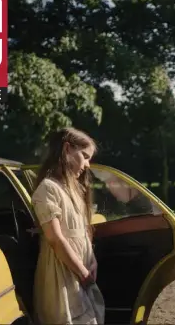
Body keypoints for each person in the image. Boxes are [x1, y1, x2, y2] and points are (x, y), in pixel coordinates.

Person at [31, 127, 105, 324]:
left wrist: (91, 259)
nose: (88, 164)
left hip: (80, 271)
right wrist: (82, 272)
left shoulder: (72, 189)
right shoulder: (48, 189)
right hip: (61, 275)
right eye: (85, 156)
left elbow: (81, 231)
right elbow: (55, 239)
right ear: (67, 149)